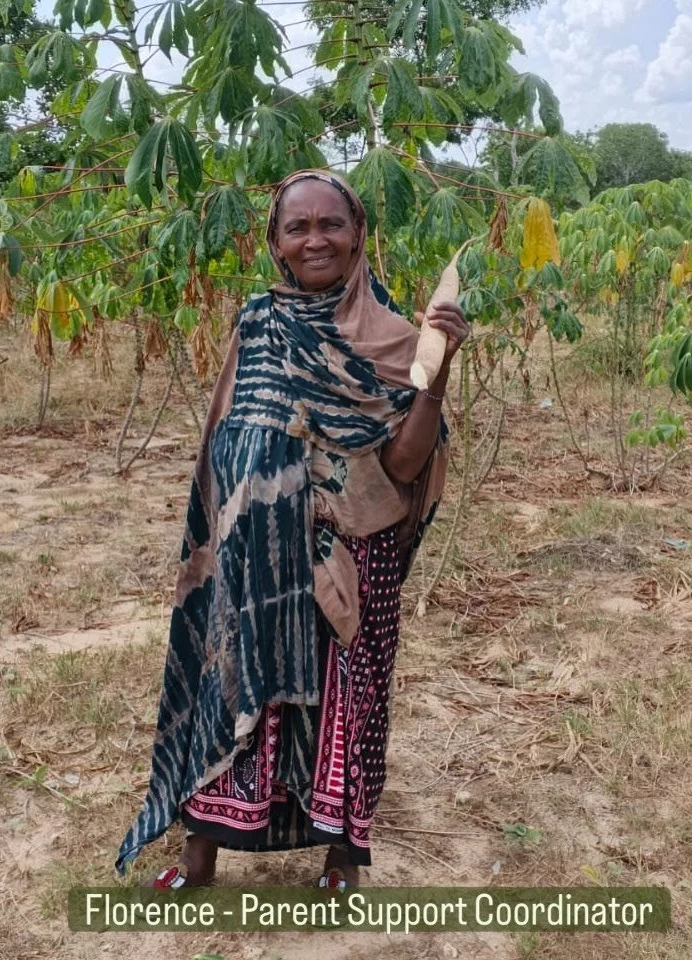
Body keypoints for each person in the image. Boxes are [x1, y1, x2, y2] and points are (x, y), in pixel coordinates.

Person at [116, 169, 469, 890]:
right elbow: (229, 429)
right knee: (235, 683)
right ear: (276, 243)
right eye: (297, 227)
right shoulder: (257, 320)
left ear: (358, 233)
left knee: (351, 696)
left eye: (331, 224)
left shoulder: (397, 337)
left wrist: (435, 375)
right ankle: (201, 853)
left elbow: (403, 465)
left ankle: (342, 856)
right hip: (255, 547)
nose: (316, 239)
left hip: (350, 547)